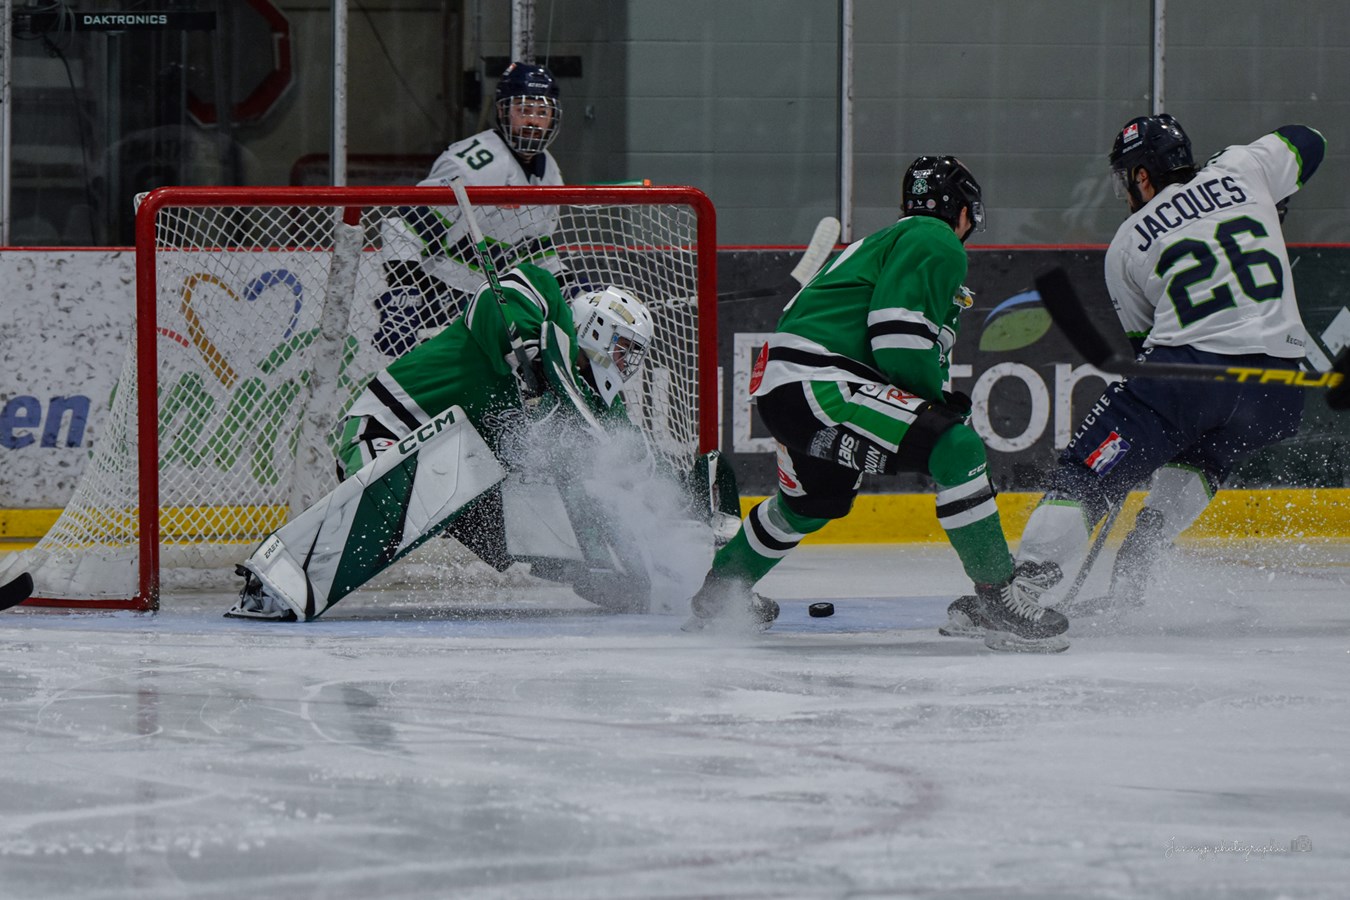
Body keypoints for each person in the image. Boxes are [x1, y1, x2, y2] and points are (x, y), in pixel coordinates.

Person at [684, 156, 1071, 653]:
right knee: (955, 446)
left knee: (810, 503)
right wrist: (936, 405)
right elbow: (898, 340)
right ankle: (998, 598)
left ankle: (722, 593)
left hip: (788, 388)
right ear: (962, 209)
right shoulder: (934, 238)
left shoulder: (884, 244)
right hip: (821, 383)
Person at [952, 115, 1326, 621]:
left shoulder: (1129, 241)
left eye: (1126, 177)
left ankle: (1021, 593)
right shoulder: (1243, 168)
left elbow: (1143, 344)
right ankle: (1140, 557)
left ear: (1142, 176)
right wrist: (1242, 175)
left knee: (1086, 475)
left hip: (1192, 371)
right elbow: (1310, 140)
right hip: (1279, 386)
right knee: (1205, 458)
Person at [226, 262, 656, 621]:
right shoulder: (546, 300)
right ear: (596, 329)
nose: (625, 363)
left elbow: (625, 454)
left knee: (548, 520)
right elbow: (493, 300)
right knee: (416, 484)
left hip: (466, 472)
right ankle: (277, 579)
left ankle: (602, 571)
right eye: (624, 348)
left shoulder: (592, 401)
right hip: (390, 430)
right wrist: (524, 344)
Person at [375, 61, 566, 356]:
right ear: (503, 112)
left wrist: (567, 287)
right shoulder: (476, 162)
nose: (533, 122)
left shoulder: (549, 171)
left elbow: (537, 249)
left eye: (542, 112)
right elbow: (404, 226)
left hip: (494, 308)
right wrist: (404, 293)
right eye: (524, 110)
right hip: (439, 299)